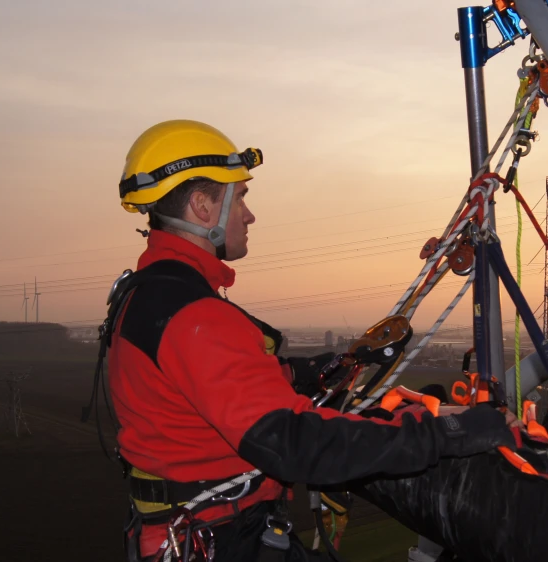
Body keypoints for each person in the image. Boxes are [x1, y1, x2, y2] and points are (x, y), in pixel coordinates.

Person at [103, 120, 514, 562]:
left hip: (194, 536)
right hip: (224, 541)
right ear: (202, 207)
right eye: (239, 197)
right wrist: (451, 431)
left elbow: (229, 386)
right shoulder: (195, 317)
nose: (249, 214)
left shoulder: (150, 295)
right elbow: (295, 444)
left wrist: (325, 367)